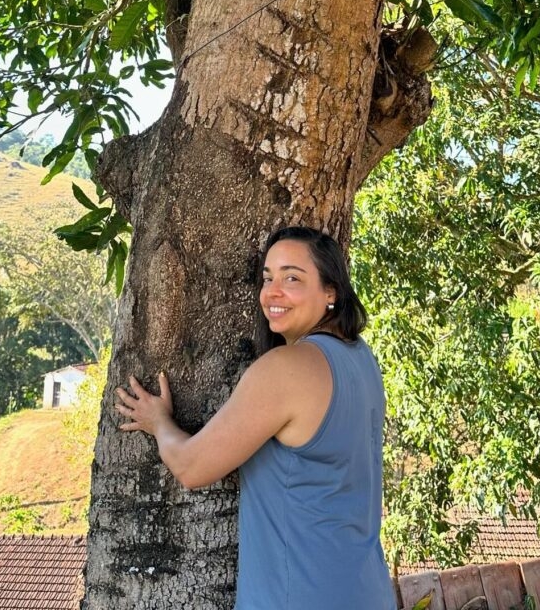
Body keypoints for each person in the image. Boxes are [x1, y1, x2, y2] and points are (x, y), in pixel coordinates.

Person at [114, 225, 397, 610]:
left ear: (330, 291)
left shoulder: (286, 369)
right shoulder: (360, 359)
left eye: (292, 278)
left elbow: (191, 466)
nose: (273, 292)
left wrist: (159, 422)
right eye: (268, 278)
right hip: (366, 591)